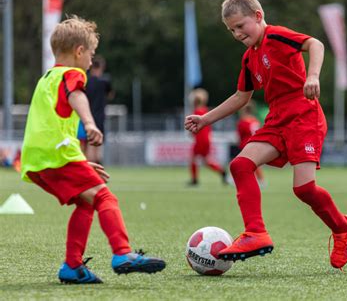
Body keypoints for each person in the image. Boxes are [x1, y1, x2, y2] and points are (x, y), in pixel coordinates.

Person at [185, 0, 347, 270]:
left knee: (304, 189)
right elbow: (242, 97)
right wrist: (206, 120)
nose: (237, 33)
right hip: (277, 119)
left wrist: (312, 75)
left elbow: (315, 44)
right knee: (240, 165)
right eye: (231, 30)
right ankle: (255, 233)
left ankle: (342, 227)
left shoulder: (276, 36)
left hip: (303, 115)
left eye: (241, 26)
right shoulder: (249, 58)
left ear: (258, 16)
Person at [20, 15, 165, 284]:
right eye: (91, 54)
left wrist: (81, 163)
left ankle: (72, 267)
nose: (91, 61)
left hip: (37, 160)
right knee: (105, 198)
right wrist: (89, 123)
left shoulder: (46, 79)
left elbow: (51, 124)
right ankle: (122, 253)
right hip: (58, 155)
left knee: (86, 202)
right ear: (79, 51)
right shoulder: (72, 74)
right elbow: (77, 95)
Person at [187, 88, 227, 186]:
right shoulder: (206, 110)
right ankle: (221, 171)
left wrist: (191, 133)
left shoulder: (196, 112)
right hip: (207, 139)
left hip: (200, 139)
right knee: (205, 160)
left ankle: (194, 180)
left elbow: (194, 127)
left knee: (193, 158)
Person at [78, 55, 114, 163]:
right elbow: (110, 95)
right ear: (101, 67)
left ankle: (90, 172)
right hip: (98, 118)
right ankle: (94, 173)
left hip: (84, 117)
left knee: (85, 147)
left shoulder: (85, 81)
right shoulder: (105, 82)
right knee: (95, 150)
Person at [236, 100, 265, 186]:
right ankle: (260, 180)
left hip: (246, 144)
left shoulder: (243, 122)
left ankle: (235, 179)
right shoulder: (255, 120)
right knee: (253, 163)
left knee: (240, 162)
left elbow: (240, 135)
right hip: (255, 143)